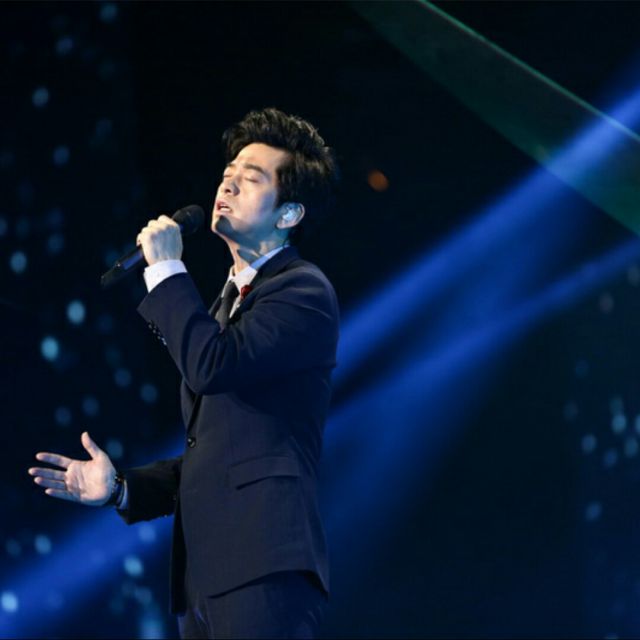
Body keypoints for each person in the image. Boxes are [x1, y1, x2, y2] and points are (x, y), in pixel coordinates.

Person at [29, 107, 340, 639]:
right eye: (228, 173)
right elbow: (214, 454)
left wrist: (168, 271)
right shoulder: (223, 309)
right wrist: (120, 489)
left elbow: (210, 365)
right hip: (203, 583)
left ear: (289, 213)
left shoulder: (302, 291)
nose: (228, 184)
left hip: (264, 569)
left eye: (251, 178)